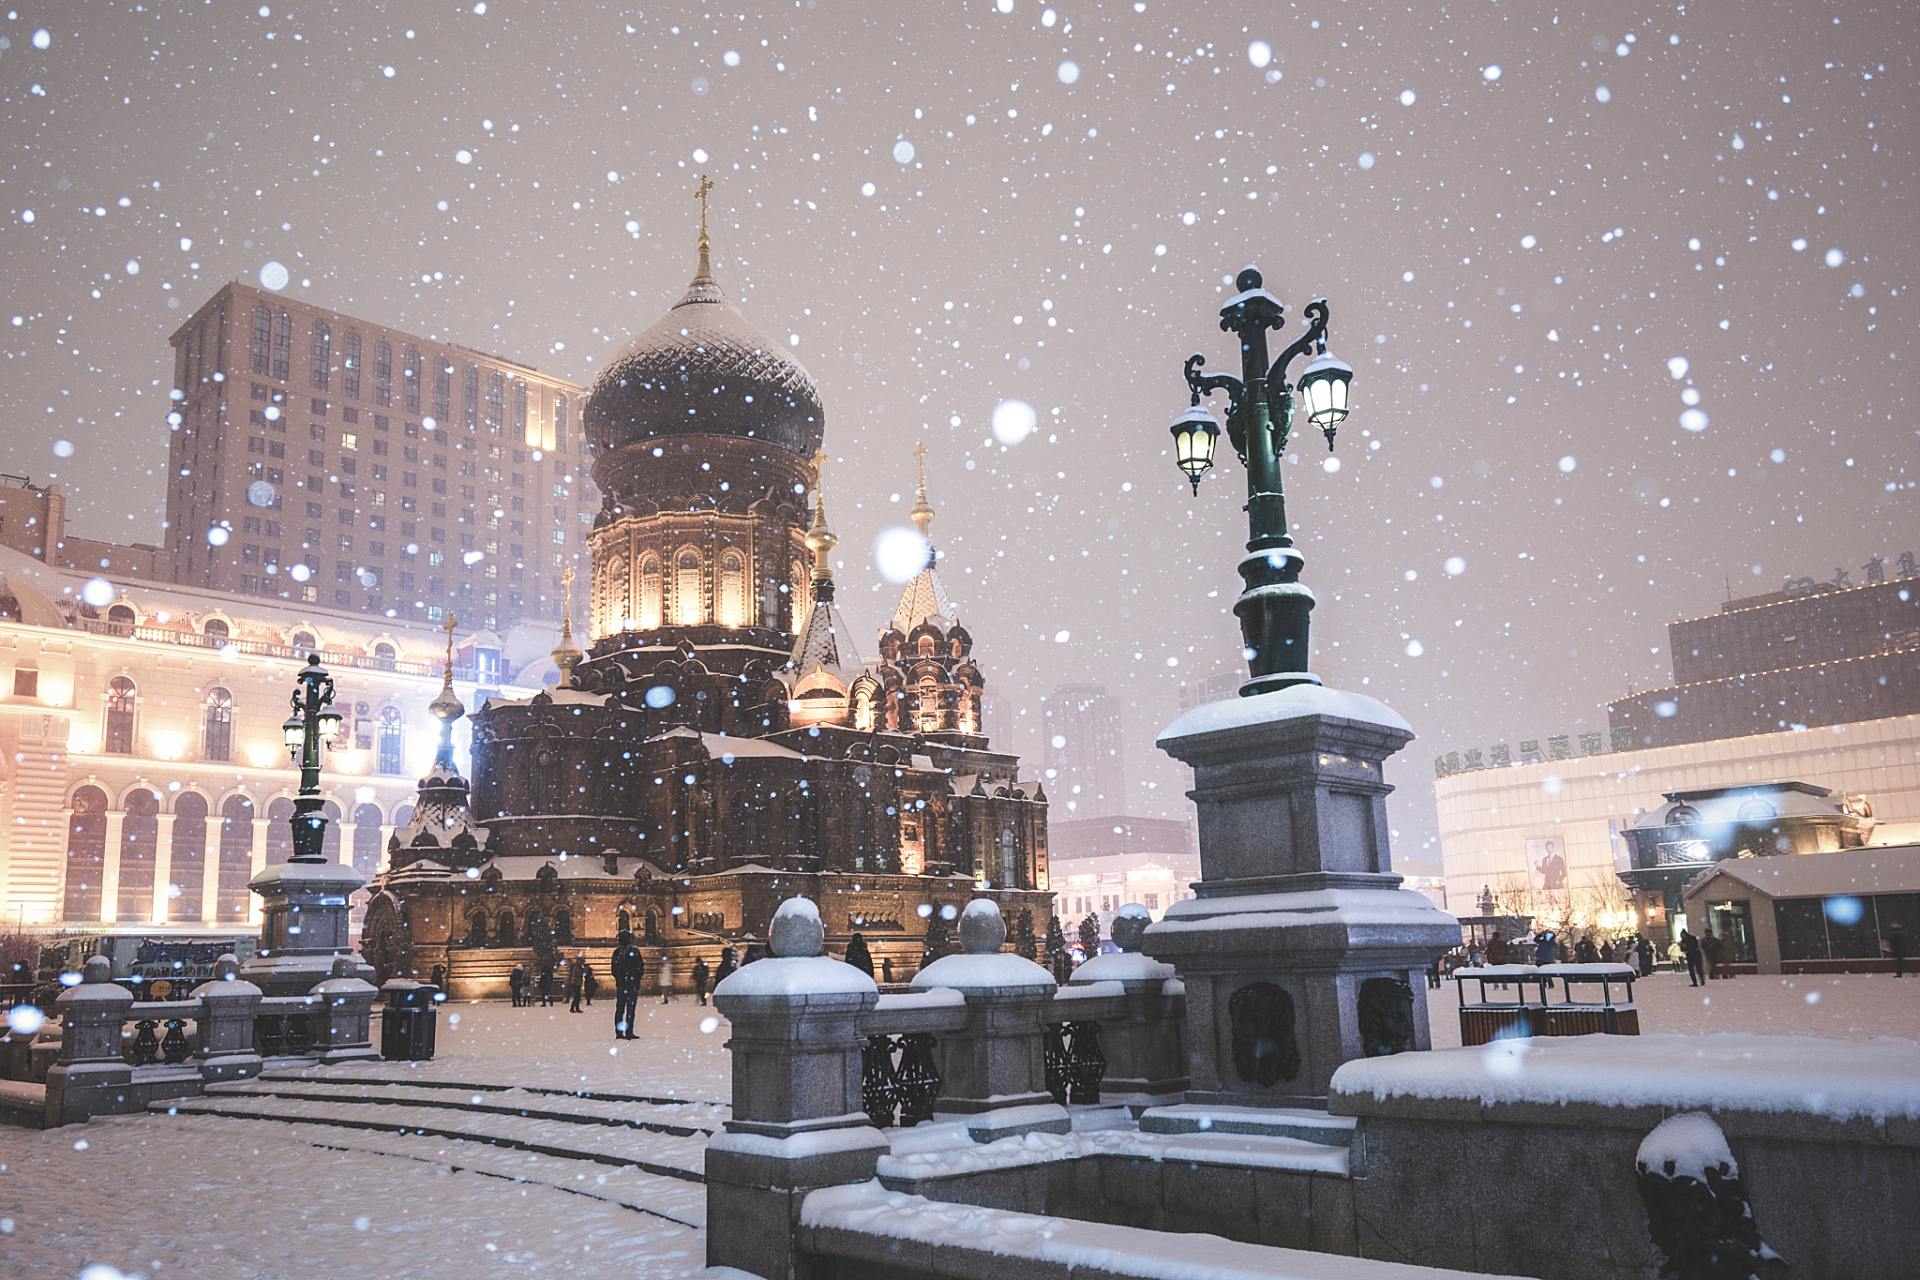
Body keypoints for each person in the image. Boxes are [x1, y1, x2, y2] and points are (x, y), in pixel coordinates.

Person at [610, 929, 644, 1040]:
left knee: (620, 1009)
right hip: (632, 984)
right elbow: (640, 968)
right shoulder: (634, 950)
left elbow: (613, 970)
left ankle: (619, 1032)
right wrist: (635, 979)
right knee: (630, 1010)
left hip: (621, 985)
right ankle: (629, 1032)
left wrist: (619, 979)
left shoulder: (616, 952)